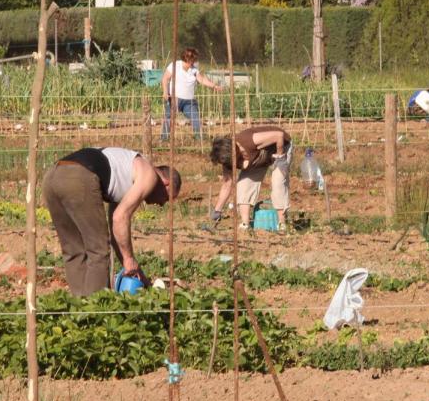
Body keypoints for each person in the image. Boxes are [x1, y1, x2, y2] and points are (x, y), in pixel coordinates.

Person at [42, 148, 181, 296]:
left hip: (53, 177)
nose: (162, 204)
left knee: (73, 250)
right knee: (99, 250)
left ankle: (80, 309)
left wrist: (134, 269)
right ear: (166, 184)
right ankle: (97, 310)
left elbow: (117, 230)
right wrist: (128, 259)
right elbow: (120, 218)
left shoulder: (126, 173)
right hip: (79, 177)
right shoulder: (149, 175)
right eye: (167, 198)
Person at [210, 126, 292, 231]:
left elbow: (279, 135)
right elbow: (227, 184)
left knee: (278, 182)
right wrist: (218, 210)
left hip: (281, 146)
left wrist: (280, 156)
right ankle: (245, 224)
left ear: (235, 151)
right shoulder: (226, 160)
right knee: (243, 184)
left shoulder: (248, 140)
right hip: (259, 159)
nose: (230, 164)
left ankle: (282, 223)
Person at [161, 48, 221, 140]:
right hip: (174, 99)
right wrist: (165, 91)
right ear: (188, 58)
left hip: (189, 102)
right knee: (169, 117)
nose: (194, 61)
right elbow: (165, 78)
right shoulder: (174, 65)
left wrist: (214, 86)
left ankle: (199, 137)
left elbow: (201, 80)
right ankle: (164, 138)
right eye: (193, 59)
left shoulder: (194, 70)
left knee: (195, 117)